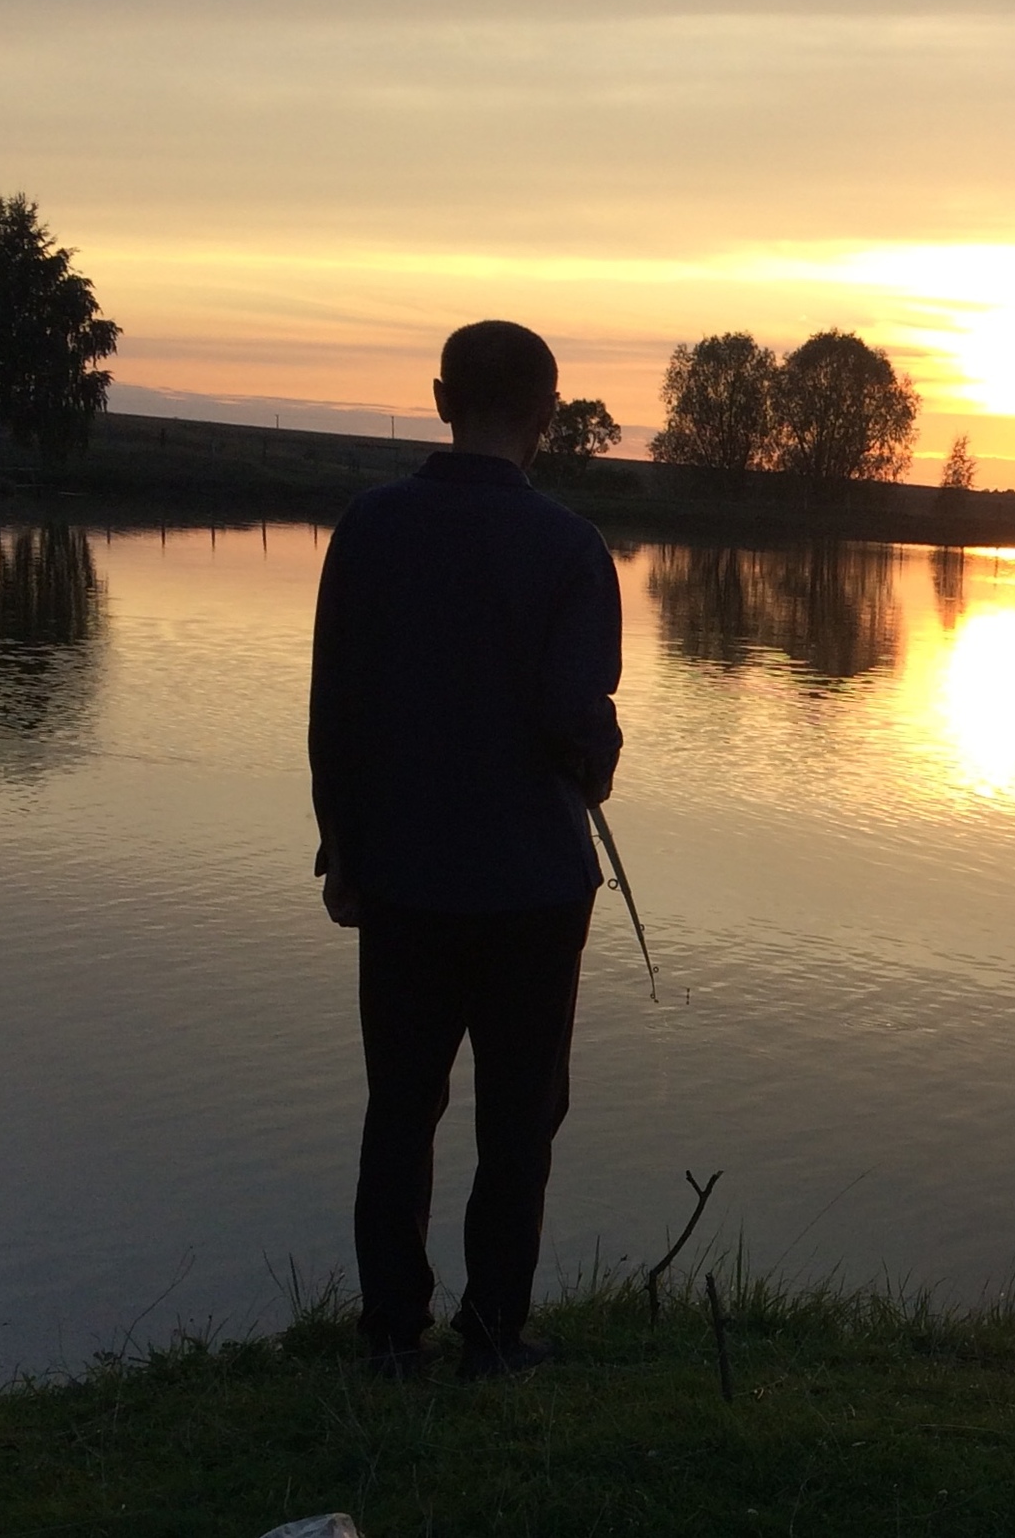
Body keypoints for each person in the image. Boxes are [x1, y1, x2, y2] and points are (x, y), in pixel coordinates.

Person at [309, 320, 623, 1380]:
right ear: (548, 414)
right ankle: (494, 1331)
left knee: (400, 1107)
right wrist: (598, 759)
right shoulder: (572, 549)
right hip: (534, 885)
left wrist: (340, 850)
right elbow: (575, 723)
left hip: (400, 874)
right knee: (518, 1120)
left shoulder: (368, 526)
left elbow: (333, 713)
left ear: (441, 397)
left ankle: (393, 1332)